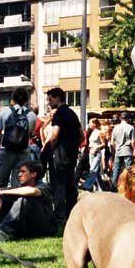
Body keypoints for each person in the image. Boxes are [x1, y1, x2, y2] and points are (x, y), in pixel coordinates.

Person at [0, 161, 57, 243]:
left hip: (44, 227)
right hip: (27, 225)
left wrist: (0, 192)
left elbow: (32, 191)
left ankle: (3, 231)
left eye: (23, 171)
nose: (19, 174)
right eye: (19, 171)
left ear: (34, 174)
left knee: (25, 198)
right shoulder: (20, 187)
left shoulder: (44, 186)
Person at [41, 87, 83, 222]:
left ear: (58, 98)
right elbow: (82, 136)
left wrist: (47, 151)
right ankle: (71, 213)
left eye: (50, 99)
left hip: (60, 155)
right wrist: (73, 145)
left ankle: (59, 214)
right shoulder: (72, 113)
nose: (48, 102)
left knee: (58, 184)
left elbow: (54, 136)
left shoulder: (59, 114)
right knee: (71, 185)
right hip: (72, 154)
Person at [0, 87, 37, 190]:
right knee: (18, 181)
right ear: (27, 99)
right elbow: (31, 133)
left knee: (2, 181)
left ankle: (0, 201)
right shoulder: (32, 115)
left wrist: (8, 139)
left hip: (6, 150)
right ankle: (14, 202)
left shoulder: (5, 112)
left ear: (13, 99)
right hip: (23, 151)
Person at [110, 111, 135, 191]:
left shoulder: (115, 127)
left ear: (120, 118)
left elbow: (112, 142)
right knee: (128, 170)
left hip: (118, 151)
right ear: (128, 118)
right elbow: (132, 142)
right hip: (128, 150)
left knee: (116, 170)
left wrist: (115, 149)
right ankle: (128, 187)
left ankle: (113, 187)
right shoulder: (131, 128)